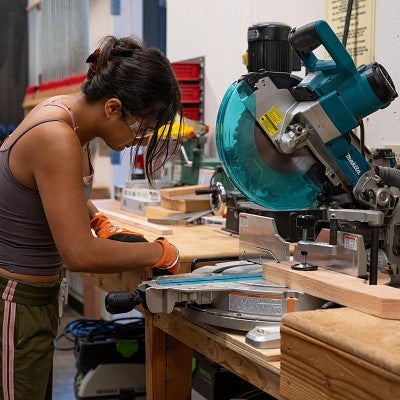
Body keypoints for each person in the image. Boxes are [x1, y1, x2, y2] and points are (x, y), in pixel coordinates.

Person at [0, 35, 182, 400]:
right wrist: (160, 252)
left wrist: (97, 218)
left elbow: (56, 191)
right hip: (15, 303)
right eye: (141, 128)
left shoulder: (69, 120)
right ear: (113, 107)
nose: (140, 140)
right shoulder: (57, 136)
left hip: (36, 299)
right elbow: (79, 254)